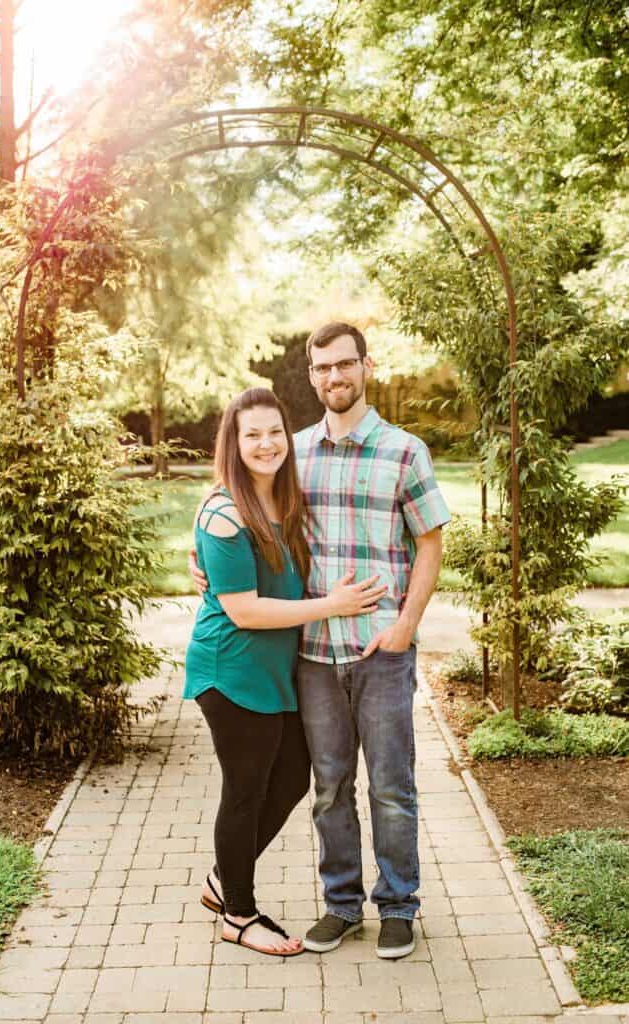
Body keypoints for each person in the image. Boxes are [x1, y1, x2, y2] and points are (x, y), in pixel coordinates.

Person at [191, 325, 450, 960]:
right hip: (310, 656)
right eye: (322, 368)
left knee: (391, 786)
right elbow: (230, 510)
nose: (334, 378)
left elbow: (431, 542)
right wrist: (198, 563)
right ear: (310, 376)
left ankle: (397, 907)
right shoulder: (294, 451)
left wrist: (406, 629)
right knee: (328, 786)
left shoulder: (404, 451)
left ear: (366, 367)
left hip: (381, 651)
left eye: (345, 365)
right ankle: (341, 907)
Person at [184, 387, 388, 958]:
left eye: (274, 431)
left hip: (273, 669)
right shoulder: (225, 513)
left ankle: (224, 880)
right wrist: (334, 606)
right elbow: (244, 609)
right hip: (231, 670)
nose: (266, 443)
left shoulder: (285, 495)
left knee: (294, 776)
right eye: (252, 434)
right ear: (234, 442)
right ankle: (238, 915)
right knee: (245, 789)